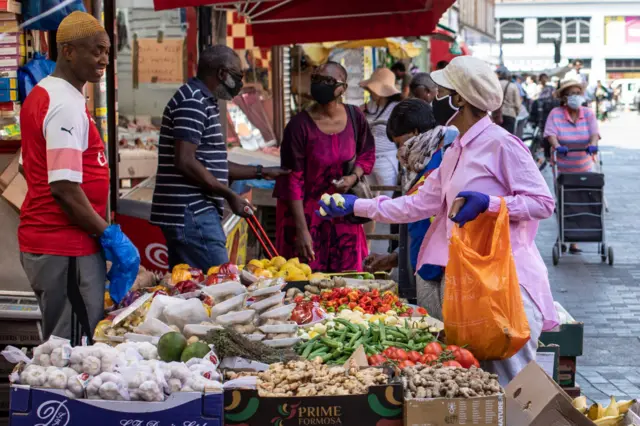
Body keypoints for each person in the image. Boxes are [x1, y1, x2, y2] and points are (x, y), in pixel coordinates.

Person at [319, 56, 558, 384]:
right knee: (478, 383)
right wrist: (356, 205)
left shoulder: (502, 144)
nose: (434, 100)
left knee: (514, 384)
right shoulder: (455, 150)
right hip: (467, 280)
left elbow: (543, 203)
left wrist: (489, 203)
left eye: (442, 92)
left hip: (504, 280)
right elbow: (416, 205)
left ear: (459, 99)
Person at [18, 12, 140, 344]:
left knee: (69, 342)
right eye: (95, 50)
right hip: (65, 248)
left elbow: (25, 167)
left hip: (58, 247)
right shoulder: (63, 105)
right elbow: (64, 189)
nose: (103, 59)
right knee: (72, 349)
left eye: (107, 51)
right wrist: (111, 237)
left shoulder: (50, 94)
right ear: (68, 51)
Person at [150, 45, 288, 271]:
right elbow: (185, 161)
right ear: (223, 74)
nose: (240, 82)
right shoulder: (193, 100)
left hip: (193, 213)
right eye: (238, 75)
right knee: (221, 283)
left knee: (192, 290)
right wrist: (229, 194)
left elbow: (213, 165)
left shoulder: (204, 101)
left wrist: (262, 171)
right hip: (192, 212)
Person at [273, 62, 375, 272]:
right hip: (308, 219)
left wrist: (352, 178)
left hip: (344, 216)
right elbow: (292, 181)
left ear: (343, 88)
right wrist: (302, 231)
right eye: (316, 79)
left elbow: (366, 154)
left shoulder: (355, 117)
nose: (320, 85)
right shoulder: (298, 126)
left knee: (348, 286)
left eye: (328, 81)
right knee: (307, 284)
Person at [363, 99, 458, 319]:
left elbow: (416, 209)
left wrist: (359, 206)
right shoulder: (418, 160)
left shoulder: (444, 159)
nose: (399, 152)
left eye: (399, 144)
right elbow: (416, 223)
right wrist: (395, 257)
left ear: (415, 132)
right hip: (422, 267)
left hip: (442, 269)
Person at [544, 79, 600, 254]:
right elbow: (551, 134)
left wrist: (592, 144)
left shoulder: (588, 114)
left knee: (582, 202)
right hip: (563, 168)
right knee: (564, 203)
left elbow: (594, 133)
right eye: (571, 94)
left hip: (584, 167)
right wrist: (557, 145)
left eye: (577, 93)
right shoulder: (556, 113)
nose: (575, 97)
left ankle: (574, 240)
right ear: (564, 98)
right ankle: (564, 236)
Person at [360, 68, 403, 198]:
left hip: (387, 160)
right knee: (368, 198)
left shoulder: (397, 107)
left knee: (385, 201)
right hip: (368, 159)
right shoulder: (369, 106)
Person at [497, 67, 522, 134]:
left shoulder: (496, 84)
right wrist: (517, 112)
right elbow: (517, 103)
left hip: (497, 114)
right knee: (508, 135)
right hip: (510, 114)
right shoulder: (513, 86)